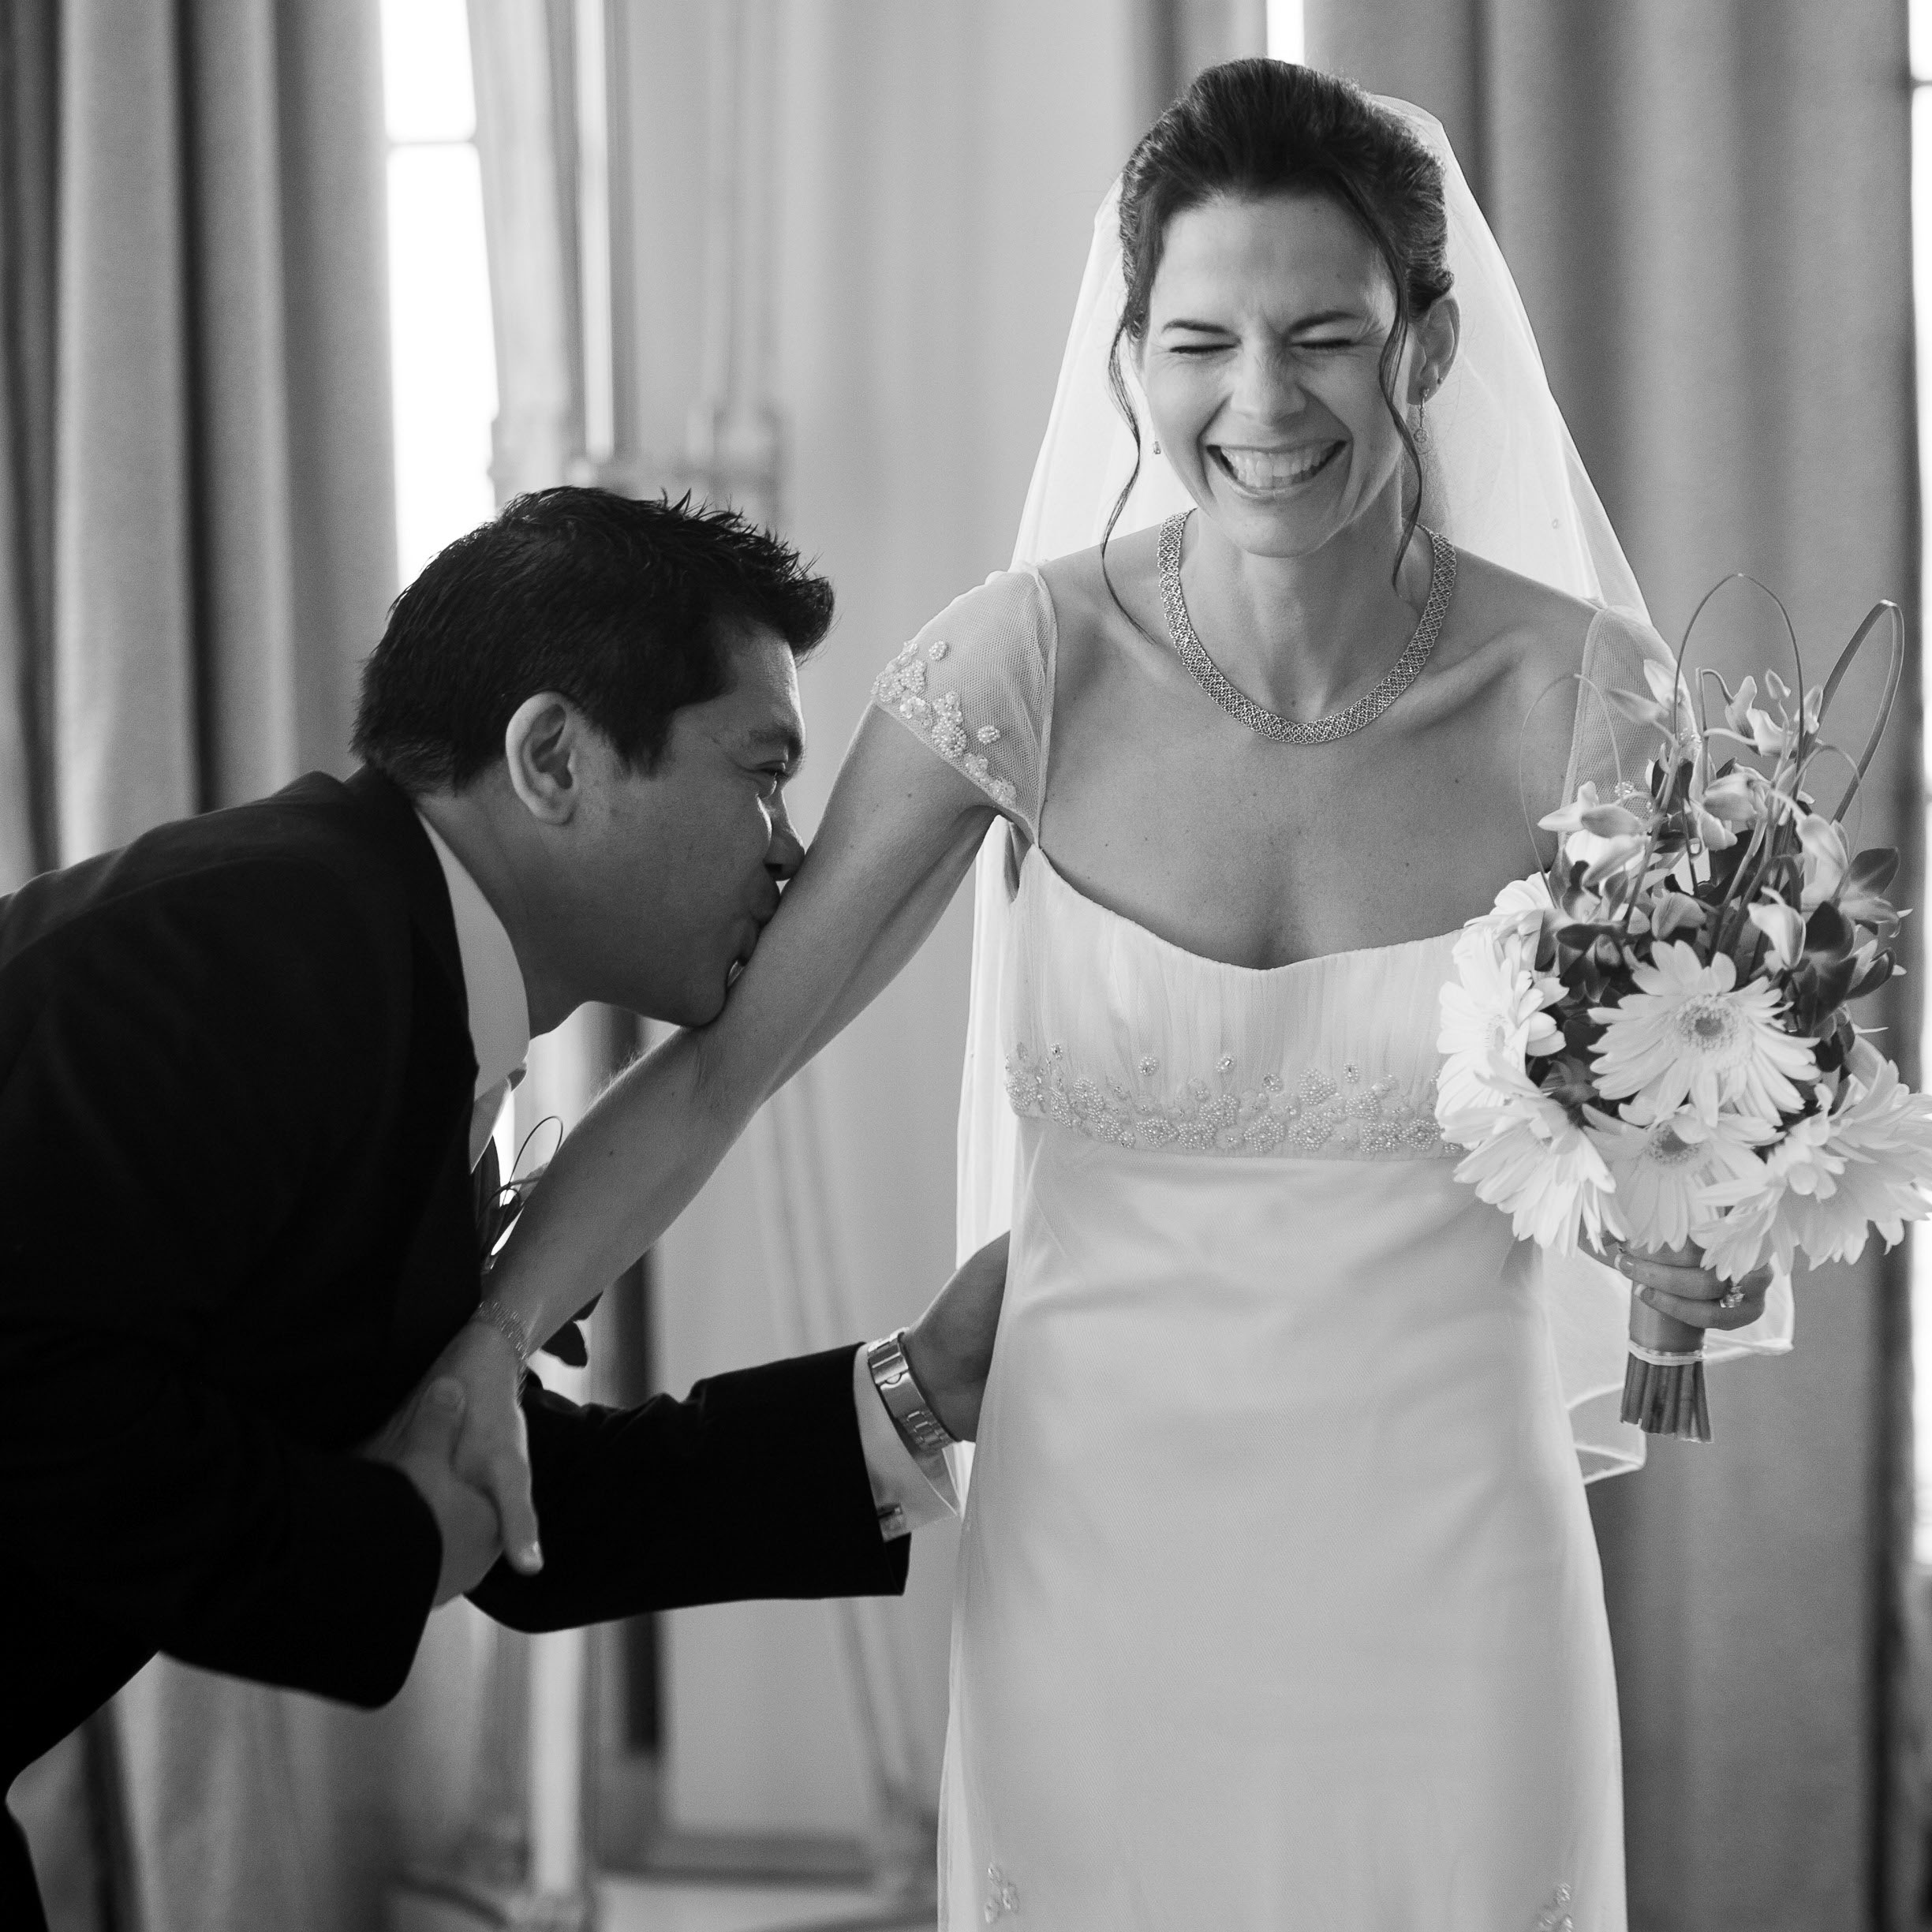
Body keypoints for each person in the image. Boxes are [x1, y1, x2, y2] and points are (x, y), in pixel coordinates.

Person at [437, 65, 1785, 1930]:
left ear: (1429, 339)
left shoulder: (1593, 699)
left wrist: (1691, 1248)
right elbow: (724, 1072)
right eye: (1199, 340)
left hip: (1453, 1560)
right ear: (1128, 359)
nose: (1260, 402)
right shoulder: (1020, 668)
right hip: (1096, 1556)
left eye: (1324, 334)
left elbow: (1693, 1131)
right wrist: (484, 1345)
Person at [0, 488, 1003, 1932]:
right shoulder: (242, 953)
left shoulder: (387, 974)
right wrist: (387, 1541)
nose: (788, 855)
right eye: (761, 774)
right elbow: (19, 1367)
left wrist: (921, 1390)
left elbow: (506, 1497)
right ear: (553, 758)